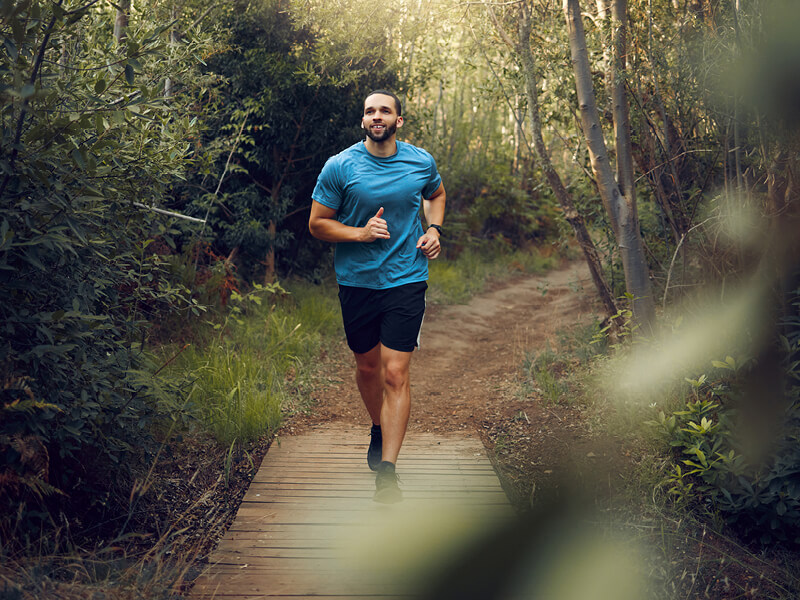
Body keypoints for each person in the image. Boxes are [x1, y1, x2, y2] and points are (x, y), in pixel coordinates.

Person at [308, 90, 446, 504]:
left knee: (395, 373)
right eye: (370, 111)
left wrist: (434, 229)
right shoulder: (340, 166)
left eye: (385, 110)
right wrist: (360, 233)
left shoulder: (420, 161)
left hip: (406, 278)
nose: (377, 116)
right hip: (357, 282)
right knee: (368, 368)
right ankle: (377, 426)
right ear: (363, 120)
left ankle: (388, 472)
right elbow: (317, 223)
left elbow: (435, 195)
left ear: (398, 120)